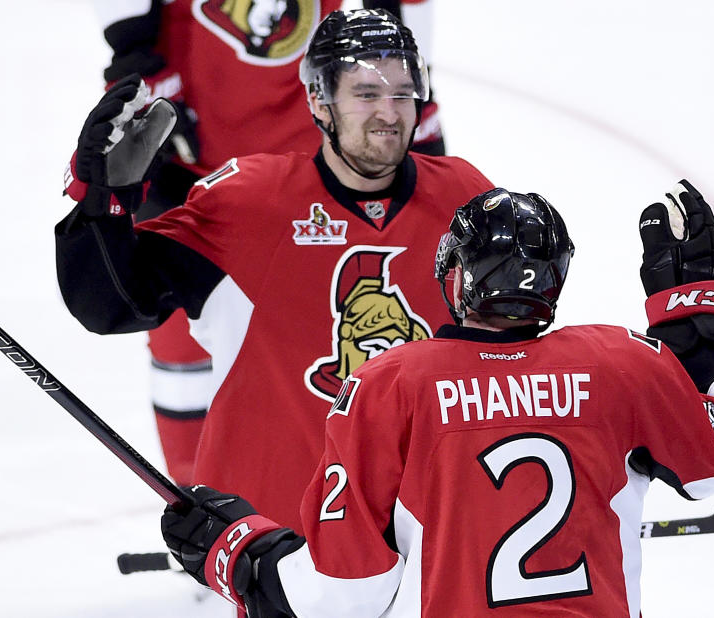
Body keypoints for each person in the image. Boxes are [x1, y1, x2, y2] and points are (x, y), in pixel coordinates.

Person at [158, 183, 714, 617]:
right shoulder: (623, 363)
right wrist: (695, 333)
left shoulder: (390, 383)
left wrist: (243, 555)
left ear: (455, 277)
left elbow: (346, 593)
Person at [57, 8, 493, 532]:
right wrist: (103, 205)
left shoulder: (462, 197)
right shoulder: (249, 205)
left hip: (434, 537)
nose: (389, 113)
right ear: (319, 101)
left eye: (403, 92)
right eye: (366, 94)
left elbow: (514, 364)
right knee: (180, 359)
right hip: (280, 554)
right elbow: (110, 304)